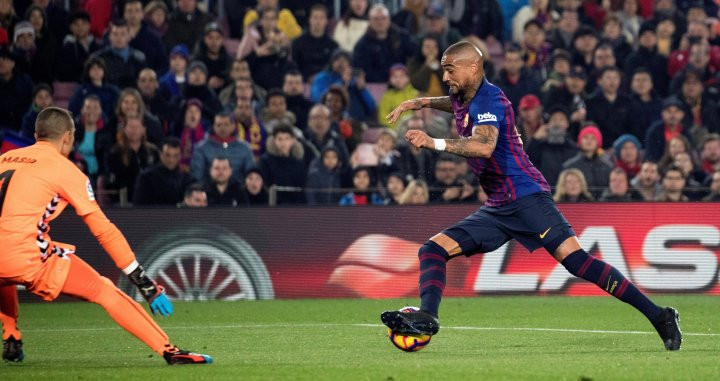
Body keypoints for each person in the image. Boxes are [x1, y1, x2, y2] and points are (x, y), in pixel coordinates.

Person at [380, 41, 681, 351]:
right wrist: (419, 103)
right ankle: (428, 317)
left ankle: (660, 316)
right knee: (431, 250)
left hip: (527, 196)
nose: (445, 77)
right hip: (498, 205)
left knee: (578, 262)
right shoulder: (464, 93)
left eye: (449, 70)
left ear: (472, 68)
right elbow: (452, 102)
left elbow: (484, 146)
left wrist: (435, 143)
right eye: (443, 70)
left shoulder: (490, 100)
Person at [0, 107, 211, 364]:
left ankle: (11, 336)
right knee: (104, 290)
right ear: (67, 137)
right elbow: (103, 229)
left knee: (6, 271)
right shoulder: (65, 170)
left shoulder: (6, 158)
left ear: (36, 134)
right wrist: (144, 283)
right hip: (29, 259)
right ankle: (169, 350)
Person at [133, 137, 195, 206]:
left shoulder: (188, 179)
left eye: (175, 155)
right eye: (167, 155)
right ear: (161, 154)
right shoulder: (146, 177)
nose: (171, 160)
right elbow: (139, 206)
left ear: (180, 156)